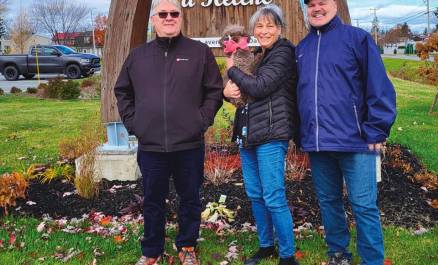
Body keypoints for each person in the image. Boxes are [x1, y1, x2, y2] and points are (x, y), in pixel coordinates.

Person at [114, 0, 223, 264]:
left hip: (189, 145)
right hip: (151, 146)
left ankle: (186, 246)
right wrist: (135, 124)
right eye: (163, 14)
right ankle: (151, 250)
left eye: (174, 13)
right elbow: (122, 92)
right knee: (152, 201)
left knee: (190, 199)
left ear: (181, 18)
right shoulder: (138, 56)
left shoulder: (199, 53)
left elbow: (214, 91)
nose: (169, 17)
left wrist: (201, 121)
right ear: (154, 20)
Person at [296, 0, 397, 265]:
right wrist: (301, 134)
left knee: (364, 206)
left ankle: (372, 260)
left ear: (335, 5)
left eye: (323, 3)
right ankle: (338, 253)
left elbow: (379, 86)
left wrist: (377, 129)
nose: (317, 8)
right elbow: (299, 96)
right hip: (319, 145)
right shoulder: (302, 48)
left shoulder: (357, 39)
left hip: (356, 142)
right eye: (311, 4)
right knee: (329, 203)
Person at [223, 4, 299, 265]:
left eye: (270, 26)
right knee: (256, 194)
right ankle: (266, 246)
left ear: (279, 29)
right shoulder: (258, 55)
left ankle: (287, 255)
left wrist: (231, 68)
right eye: (259, 26)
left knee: (274, 196)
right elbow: (245, 94)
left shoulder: (283, 53)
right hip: (249, 134)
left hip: (271, 134)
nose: (264, 30)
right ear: (253, 30)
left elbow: (260, 86)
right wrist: (228, 92)